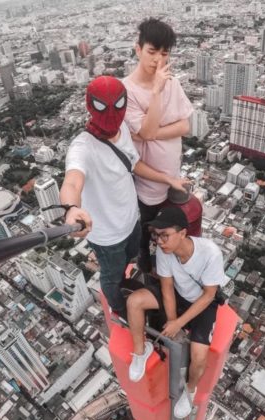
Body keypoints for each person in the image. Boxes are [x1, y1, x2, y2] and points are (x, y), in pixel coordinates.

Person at [60, 76, 189, 318]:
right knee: (111, 275)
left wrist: (168, 179)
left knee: (130, 257)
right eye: (102, 107)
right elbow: (72, 180)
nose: (111, 114)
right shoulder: (83, 147)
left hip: (131, 221)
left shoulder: (122, 131)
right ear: (90, 105)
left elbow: (134, 163)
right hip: (107, 236)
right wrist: (70, 208)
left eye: (118, 105)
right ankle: (119, 309)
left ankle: (125, 284)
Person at [124, 207, 227, 419]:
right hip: (178, 294)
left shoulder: (210, 253)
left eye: (165, 235)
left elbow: (209, 295)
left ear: (182, 233)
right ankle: (141, 351)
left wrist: (179, 323)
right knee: (135, 301)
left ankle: (190, 390)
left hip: (202, 302)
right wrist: (171, 320)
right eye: (156, 235)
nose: (160, 241)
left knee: (199, 356)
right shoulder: (164, 252)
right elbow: (167, 287)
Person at [123, 18, 193, 273]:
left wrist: (148, 134)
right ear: (138, 49)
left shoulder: (171, 82)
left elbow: (185, 126)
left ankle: (169, 268)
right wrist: (155, 92)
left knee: (171, 229)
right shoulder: (126, 90)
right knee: (146, 229)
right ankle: (143, 261)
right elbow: (148, 131)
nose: (158, 61)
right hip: (149, 182)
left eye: (164, 54)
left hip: (173, 174)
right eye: (152, 52)